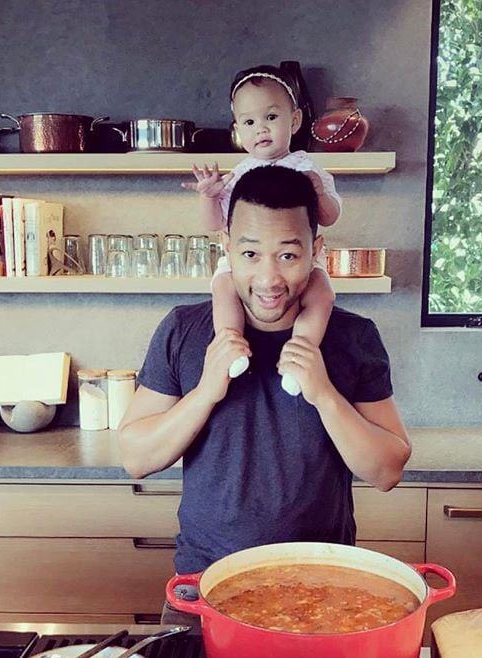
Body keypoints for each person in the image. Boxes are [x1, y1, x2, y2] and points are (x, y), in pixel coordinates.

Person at [119, 165, 411, 629]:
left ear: (316, 250)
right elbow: (136, 457)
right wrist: (205, 393)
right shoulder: (183, 330)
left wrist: (325, 394)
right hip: (202, 586)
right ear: (226, 247)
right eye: (251, 253)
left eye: (288, 255)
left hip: (322, 590)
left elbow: (388, 469)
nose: (269, 278)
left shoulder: (353, 337)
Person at [182, 65, 342, 396]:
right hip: (246, 259)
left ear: (294, 120)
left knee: (323, 293)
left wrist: (319, 192)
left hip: (300, 261)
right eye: (249, 122)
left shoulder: (308, 167)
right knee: (223, 287)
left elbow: (329, 217)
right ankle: (230, 346)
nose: (261, 129)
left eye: (271, 117)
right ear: (237, 129)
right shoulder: (238, 174)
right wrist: (209, 196)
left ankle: (300, 354)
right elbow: (216, 224)